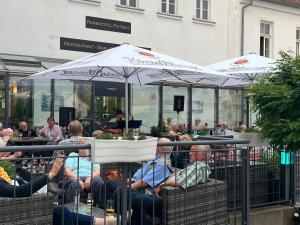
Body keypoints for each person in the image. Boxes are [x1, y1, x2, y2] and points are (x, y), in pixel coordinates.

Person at [0, 157, 108, 225]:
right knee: (61, 212)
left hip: (25, 207)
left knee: (62, 212)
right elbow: (19, 192)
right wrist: (50, 175)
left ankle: (98, 221)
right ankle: (98, 221)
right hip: (20, 213)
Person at [128, 144, 211, 225]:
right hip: (170, 197)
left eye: (193, 150)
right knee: (134, 196)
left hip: (172, 202)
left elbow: (180, 181)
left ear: (202, 155)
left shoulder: (199, 166)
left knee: (138, 200)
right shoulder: (195, 166)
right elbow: (178, 177)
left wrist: (162, 185)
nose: (189, 153)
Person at [58, 120, 103, 204]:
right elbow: (67, 171)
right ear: (78, 147)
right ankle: (71, 209)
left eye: (86, 146)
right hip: (74, 178)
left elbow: (97, 171)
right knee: (75, 184)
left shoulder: (92, 156)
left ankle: (98, 206)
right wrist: (77, 179)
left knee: (98, 181)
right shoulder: (73, 155)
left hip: (90, 177)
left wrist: (90, 177)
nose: (83, 148)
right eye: (81, 146)